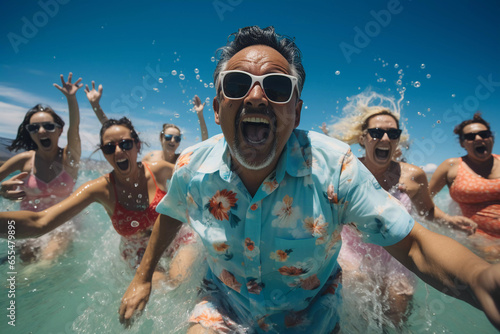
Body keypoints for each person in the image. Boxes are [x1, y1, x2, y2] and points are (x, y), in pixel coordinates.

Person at [118, 26, 500, 333]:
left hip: (313, 315)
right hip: (224, 303)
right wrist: (143, 277)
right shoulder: (192, 167)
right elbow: (171, 213)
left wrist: (479, 277)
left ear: (296, 113)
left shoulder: (336, 167)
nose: (255, 97)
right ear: (217, 109)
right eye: (237, 84)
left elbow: (413, 243)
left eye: (277, 87)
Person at [324, 90, 477, 328]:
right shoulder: (346, 169)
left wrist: (451, 221)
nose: (385, 138)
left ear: (397, 139)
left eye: (392, 133)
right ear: (363, 138)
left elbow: (428, 212)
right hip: (354, 252)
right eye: (376, 132)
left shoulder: (413, 175)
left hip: (398, 254)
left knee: (396, 320)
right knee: (359, 313)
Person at [0, 118, 198, 285]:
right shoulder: (99, 189)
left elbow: (199, 185)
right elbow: (39, 222)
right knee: (162, 288)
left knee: (180, 281)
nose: (119, 151)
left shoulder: (159, 170)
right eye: (110, 147)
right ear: (104, 153)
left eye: (126, 144)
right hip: (138, 250)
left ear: (137, 146)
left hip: (176, 238)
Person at [0, 73, 82, 263]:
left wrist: (71, 99)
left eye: (48, 126)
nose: (42, 131)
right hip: (28, 220)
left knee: (47, 260)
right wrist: (1, 190)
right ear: (30, 134)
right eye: (34, 128)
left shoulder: (69, 159)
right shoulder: (24, 160)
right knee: (25, 260)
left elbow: (75, 129)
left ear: (60, 130)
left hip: (62, 223)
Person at [429, 112, 500, 260]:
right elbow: (422, 200)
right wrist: (447, 219)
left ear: (492, 138)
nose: (478, 139)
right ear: (462, 143)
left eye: (484, 134)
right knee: (494, 256)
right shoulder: (451, 166)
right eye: (470, 136)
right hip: (479, 238)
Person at [142, 95, 209, 163]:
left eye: (177, 139)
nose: (173, 140)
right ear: (161, 138)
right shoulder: (150, 158)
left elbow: (204, 147)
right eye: (168, 137)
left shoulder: (181, 160)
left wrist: (200, 115)